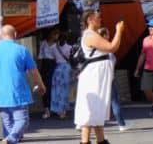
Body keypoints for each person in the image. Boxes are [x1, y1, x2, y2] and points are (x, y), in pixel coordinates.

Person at [0, 25, 45, 144]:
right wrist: (41, 85)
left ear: (0, 36)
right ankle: (11, 139)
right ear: (15, 34)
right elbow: (34, 71)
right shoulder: (22, 50)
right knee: (22, 120)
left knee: (7, 122)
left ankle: (11, 139)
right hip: (18, 92)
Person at [74, 11, 125, 144]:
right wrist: (119, 31)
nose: (101, 19)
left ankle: (100, 140)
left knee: (98, 108)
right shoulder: (90, 35)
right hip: (93, 76)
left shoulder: (93, 34)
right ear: (90, 20)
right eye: (98, 17)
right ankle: (85, 141)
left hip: (97, 76)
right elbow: (111, 47)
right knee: (90, 109)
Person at [37, 28, 72, 119]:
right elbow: (40, 57)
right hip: (47, 66)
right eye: (54, 34)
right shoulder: (45, 44)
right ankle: (48, 109)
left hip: (55, 66)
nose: (55, 36)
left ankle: (56, 109)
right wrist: (38, 71)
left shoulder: (56, 46)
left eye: (57, 34)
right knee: (48, 88)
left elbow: (57, 58)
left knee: (55, 89)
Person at [98, 27, 127, 132]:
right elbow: (112, 63)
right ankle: (121, 124)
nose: (109, 36)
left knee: (97, 102)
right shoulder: (108, 50)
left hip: (98, 80)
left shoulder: (96, 49)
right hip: (109, 79)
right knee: (114, 102)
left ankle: (93, 124)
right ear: (104, 36)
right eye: (108, 34)